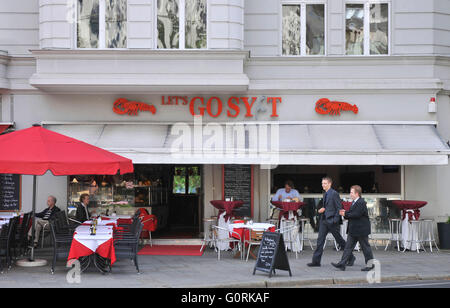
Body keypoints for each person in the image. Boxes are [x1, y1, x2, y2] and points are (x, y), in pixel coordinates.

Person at [308, 176, 354, 267]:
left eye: (325, 183)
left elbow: (339, 208)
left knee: (340, 241)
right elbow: (329, 206)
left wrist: (334, 220)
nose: (323, 185)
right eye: (322, 183)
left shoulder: (334, 194)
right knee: (320, 240)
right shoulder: (325, 194)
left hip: (332, 221)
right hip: (324, 220)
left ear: (330, 184)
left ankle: (351, 257)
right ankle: (316, 261)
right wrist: (323, 209)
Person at [332, 185, 375, 271]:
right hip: (353, 230)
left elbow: (357, 214)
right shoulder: (355, 202)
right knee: (348, 247)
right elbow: (353, 213)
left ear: (357, 193)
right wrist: (345, 212)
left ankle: (370, 265)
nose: (350, 194)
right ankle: (342, 264)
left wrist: (345, 214)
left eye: (351, 192)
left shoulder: (361, 202)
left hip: (361, 230)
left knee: (365, 248)